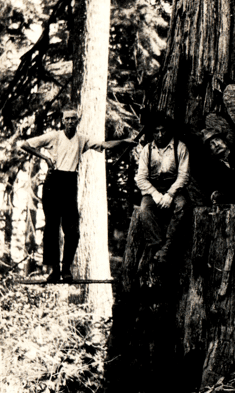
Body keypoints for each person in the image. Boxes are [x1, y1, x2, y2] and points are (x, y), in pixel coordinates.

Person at [19, 106, 134, 282]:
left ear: (77, 121)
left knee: (73, 231)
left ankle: (66, 269)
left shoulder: (82, 140)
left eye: (73, 119)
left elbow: (104, 145)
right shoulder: (54, 137)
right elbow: (25, 144)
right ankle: (54, 270)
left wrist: (126, 141)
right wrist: (45, 158)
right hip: (52, 184)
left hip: (70, 183)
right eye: (67, 119)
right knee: (51, 228)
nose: (70, 122)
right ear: (62, 121)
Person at [134, 115, 190, 267]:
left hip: (175, 187)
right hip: (154, 189)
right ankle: (157, 248)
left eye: (163, 131)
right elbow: (141, 178)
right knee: (145, 210)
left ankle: (168, 247)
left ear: (169, 131)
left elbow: (184, 176)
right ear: (152, 133)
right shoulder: (147, 150)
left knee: (182, 206)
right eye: (156, 131)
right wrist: (156, 195)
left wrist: (170, 194)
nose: (160, 135)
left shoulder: (180, 147)